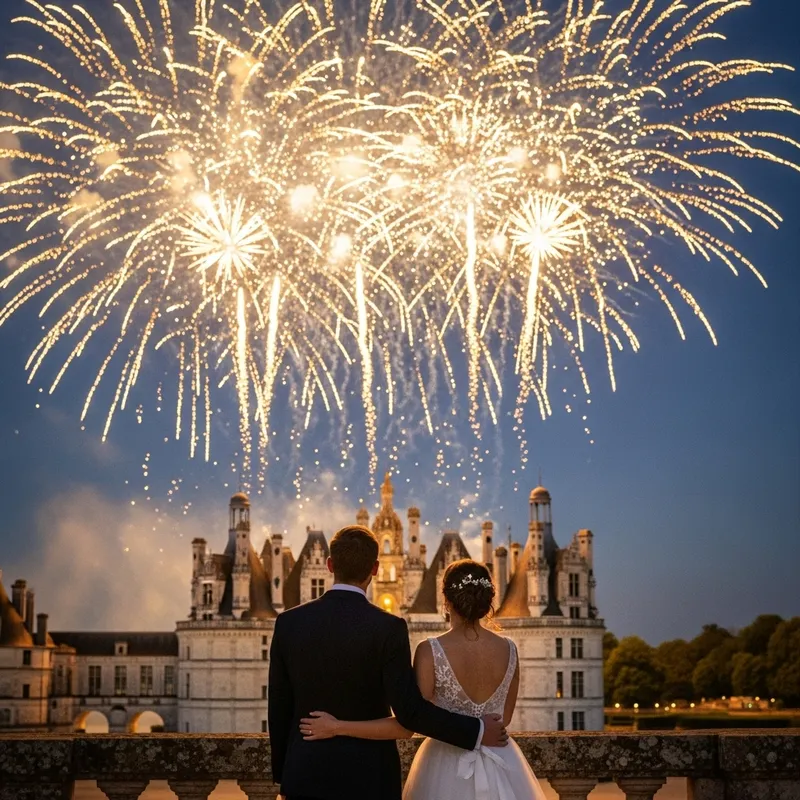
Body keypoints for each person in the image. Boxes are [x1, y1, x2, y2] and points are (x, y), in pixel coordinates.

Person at [268, 527, 508, 800]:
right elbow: (411, 714)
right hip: (371, 777)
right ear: (375, 569)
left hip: (305, 774)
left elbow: (279, 707)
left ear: (330, 565)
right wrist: (476, 730)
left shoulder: (289, 623)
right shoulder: (388, 627)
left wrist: (284, 776)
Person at [300, 558, 548, 800]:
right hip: (501, 762)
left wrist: (337, 727)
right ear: (488, 600)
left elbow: (411, 721)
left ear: (446, 601)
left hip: (445, 765)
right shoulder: (510, 649)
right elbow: (502, 720)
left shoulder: (431, 650)